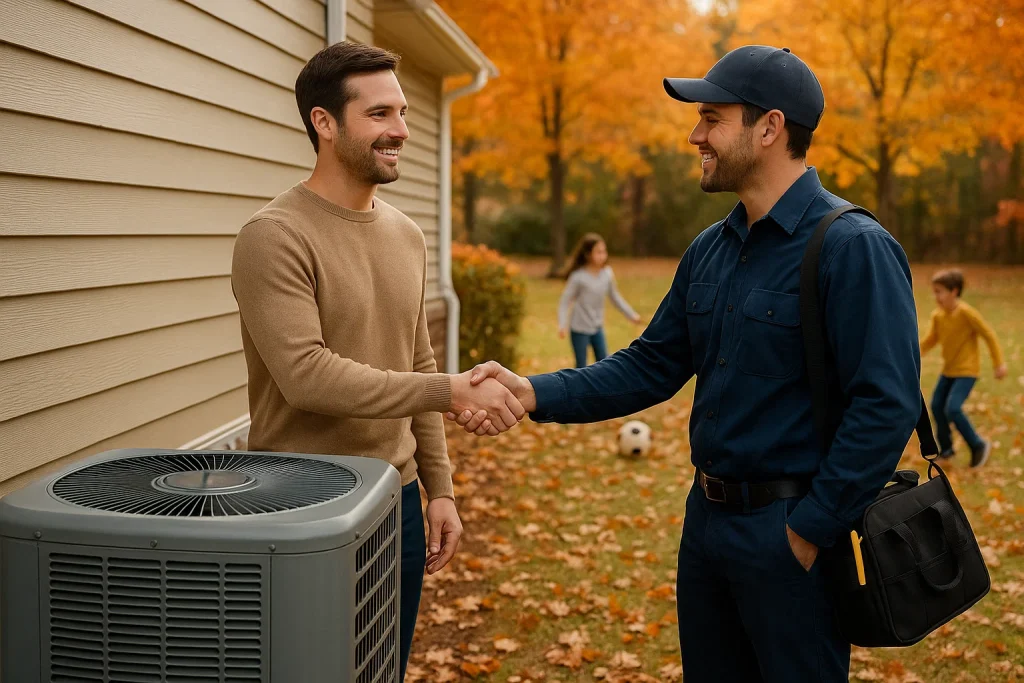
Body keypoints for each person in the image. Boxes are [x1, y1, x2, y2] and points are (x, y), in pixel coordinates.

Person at [450, 46, 922, 683]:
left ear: (769, 128)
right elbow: (650, 364)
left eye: (711, 119)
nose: (695, 135)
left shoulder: (853, 246)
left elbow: (886, 404)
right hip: (706, 526)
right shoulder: (710, 249)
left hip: (791, 534)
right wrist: (529, 391)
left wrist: (811, 530)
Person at [230, 42, 525, 680]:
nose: (400, 130)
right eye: (379, 114)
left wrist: (439, 488)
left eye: (402, 112)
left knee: (384, 667)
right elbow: (306, 376)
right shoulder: (273, 237)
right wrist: (449, 391)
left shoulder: (406, 234)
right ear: (324, 122)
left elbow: (417, 359)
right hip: (304, 504)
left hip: (397, 501)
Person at [921, 268, 1007, 467]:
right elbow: (930, 340)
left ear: (954, 291)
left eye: (939, 291)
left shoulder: (966, 313)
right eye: (934, 292)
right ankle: (947, 450)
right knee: (936, 406)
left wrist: (999, 363)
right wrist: (912, 353)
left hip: (967, 372)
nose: (936, 297)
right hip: (948, 371)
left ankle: (978, 445)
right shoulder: (938, 316)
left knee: (953, 408)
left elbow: (988, 335)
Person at [557, 233, 642, 367]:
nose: (602, 255)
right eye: (598, 252)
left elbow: (615, 297)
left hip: (597, 327)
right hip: (579, 329)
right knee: (581, 367)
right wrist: (562, 324)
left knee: (604, 363)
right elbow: (565, 301)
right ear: (588, 254)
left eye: (604, 251)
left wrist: (631, 315)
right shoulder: (578, 277)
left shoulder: (607, 274)